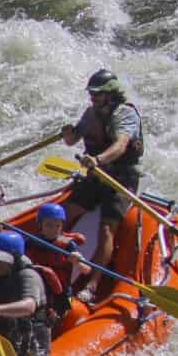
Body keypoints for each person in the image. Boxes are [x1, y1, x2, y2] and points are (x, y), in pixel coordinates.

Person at [59, 68, 143, 303]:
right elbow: (73, 140)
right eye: (91, 93)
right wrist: (68, 134)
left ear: (110, 94)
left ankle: (93, 284)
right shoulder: (90, 113)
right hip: (96, 175)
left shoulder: (125, 114)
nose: (92, 97)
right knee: (66, 212)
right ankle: (51, 258)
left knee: (106, 229)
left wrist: (98, 160)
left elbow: (121, 145)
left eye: (97, 93)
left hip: (121, 178)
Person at [11, 201, 91, 308]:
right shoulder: (32, 241)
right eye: (49, 225)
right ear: (40, 224)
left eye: (57, 225)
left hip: (61, 292)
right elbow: (12, 252)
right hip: (37, 285)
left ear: (62, 225)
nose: (53, 229)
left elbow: (87, 270)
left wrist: (78, 261)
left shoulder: (67, 245)